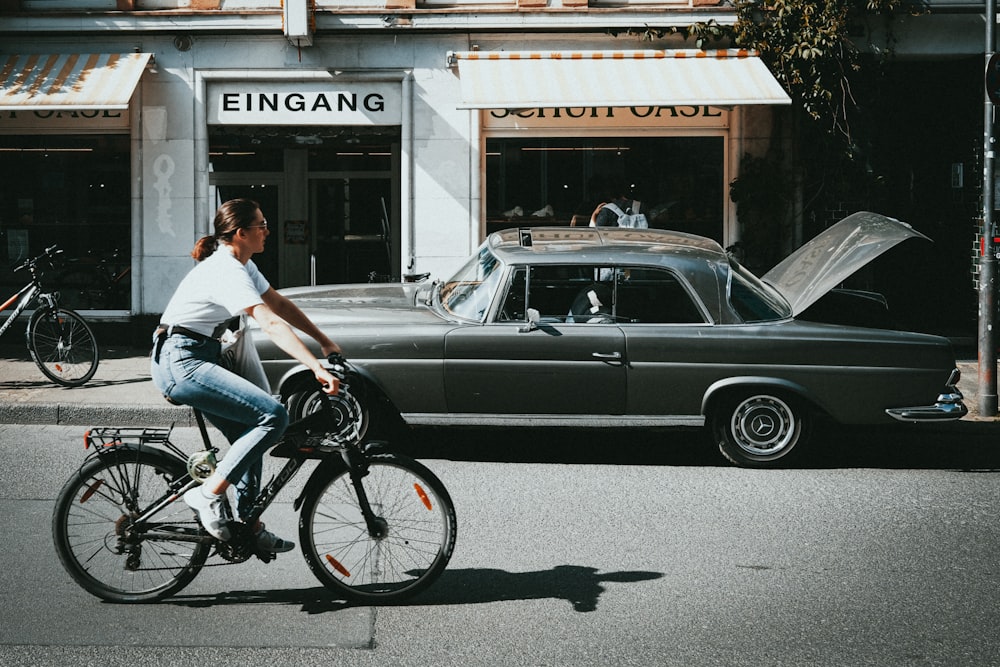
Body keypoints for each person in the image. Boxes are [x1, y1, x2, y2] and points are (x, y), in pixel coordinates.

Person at [151, 198, 341, 554]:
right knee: (273, 415)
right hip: (182, 360)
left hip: (199, 354)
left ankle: (246, 527)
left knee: (252, 438)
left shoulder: (243, 264)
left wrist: (324, 342)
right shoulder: (226, 269)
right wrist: (315, 366)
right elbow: (268, 321)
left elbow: (279, 306)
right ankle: (207, 495)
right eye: (262, 224)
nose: (267, 230)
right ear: (241, 233)